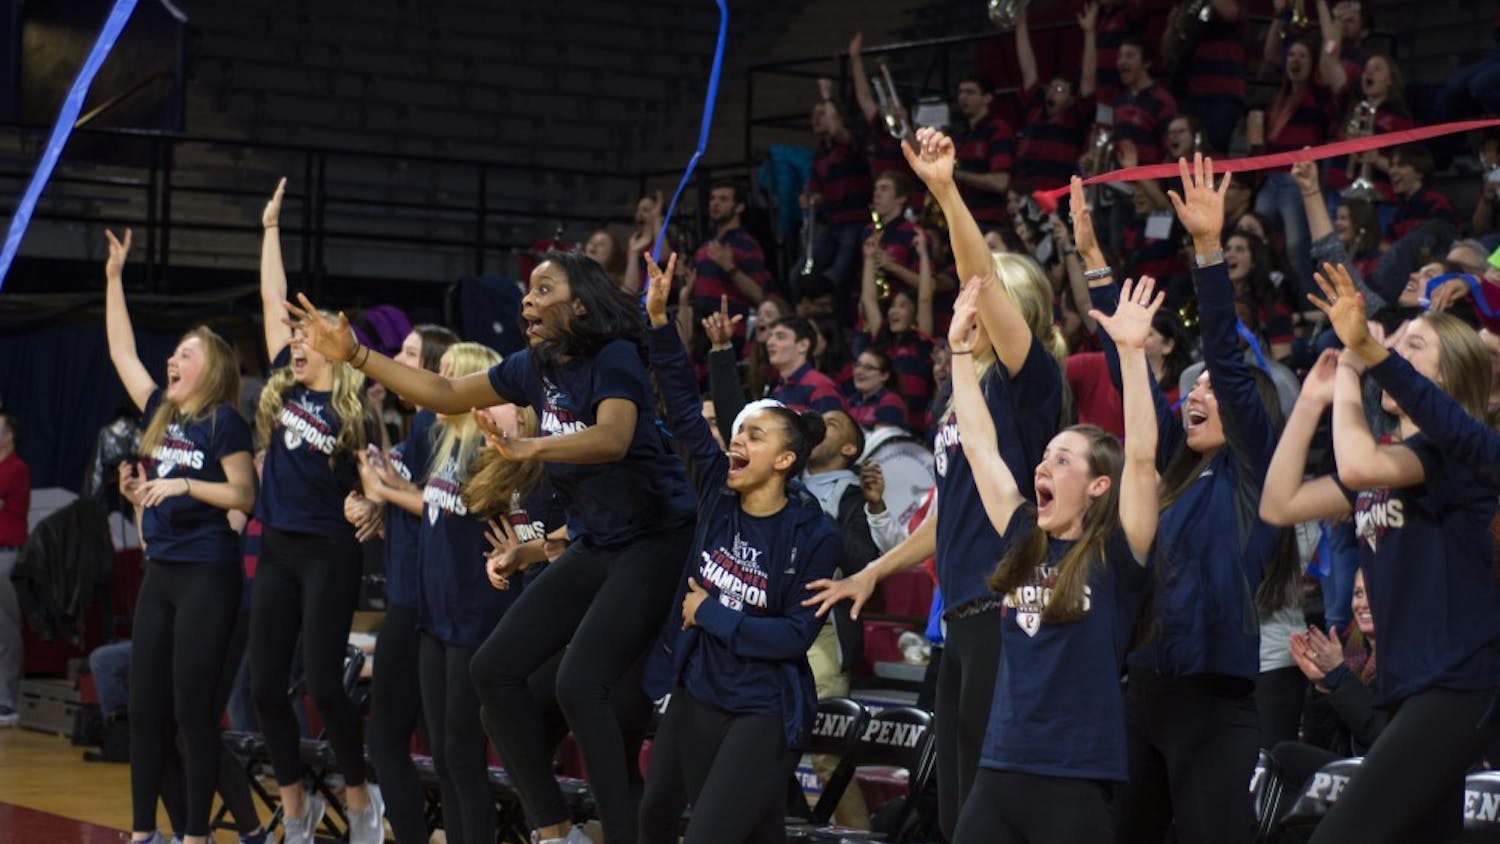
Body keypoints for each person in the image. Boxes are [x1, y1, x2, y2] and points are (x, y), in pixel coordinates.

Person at [286, 247, 696, 844]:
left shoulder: (615, 356)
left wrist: (533, 449)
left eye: (543, 290)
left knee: (579, 685)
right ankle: (554, 831)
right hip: (597, 541)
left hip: (657, 538)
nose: (526, 300)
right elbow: (444, 392)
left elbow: (613, 437)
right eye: (527, 291)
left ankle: (620, 835)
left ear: (578, 303)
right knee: (493, 670)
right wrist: (355, 354)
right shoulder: (535, 364)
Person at [805, 126, 1064, 840]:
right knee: (953, 798)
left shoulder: (1029, 382)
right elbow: (944, 517)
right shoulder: (963, 397)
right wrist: (875, 573)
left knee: (987, 798)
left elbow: (979, 277)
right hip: (960, 617)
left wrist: (946, 192)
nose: (964, 302)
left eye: (980, 297)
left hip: (1005, 609)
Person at [1080, 158, 1292, 844]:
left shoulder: (1255, 475)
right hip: (1141, 695)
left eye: (1209, 394)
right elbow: (1129, 371)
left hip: (1212, 704)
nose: (1195, 395)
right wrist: (1093, 265)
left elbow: (1230, 365)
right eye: (1191, 388)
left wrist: (1207, 250)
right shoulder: (1172, 469)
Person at [1269, 264, 1500, 843]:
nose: (1391, 350)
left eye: (1410, 345)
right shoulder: (1389, 464)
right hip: (1411, 689)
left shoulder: (1451, 455)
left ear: (1441, 380)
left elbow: (1354, 464)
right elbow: (1280, 503)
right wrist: (1314, 397)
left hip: (1458, 686)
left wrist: (1355, 362)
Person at [634, 252, 840, 844]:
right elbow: (680, 403)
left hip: (762, 708)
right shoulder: (718, 498)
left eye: (754, 434)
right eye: (737, 431)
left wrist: (712, 613)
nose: (736, 439)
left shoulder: (813, 535)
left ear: (784, 460)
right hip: (698, 690)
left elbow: (792, 636)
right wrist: (658, 321)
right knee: (663, 820)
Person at [948, 267, 1159, 842]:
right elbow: (978, 445)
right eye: (1044, 455)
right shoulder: (1022, 538)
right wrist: (961, 354)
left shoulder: (1119, 555)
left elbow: (1140, 457)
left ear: (1098, 486)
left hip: (1076, 780)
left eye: (1062, 460)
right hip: (999, 772)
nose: (1042, 466)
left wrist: (1133, 355)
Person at [102, 228, 257, 844]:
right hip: (161, 572)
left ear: (212, 368)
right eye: (174, 353)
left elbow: (244, 496)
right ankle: (144, 832)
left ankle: (196, 834)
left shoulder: (224, 422)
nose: (173, 360)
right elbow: (121, 353)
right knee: (145, 712)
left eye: (187, 354)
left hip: (207, 574)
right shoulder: (158, 415)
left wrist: (187, 487)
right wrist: (114, 279)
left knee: (194, 713)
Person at [251, 180, 383, 844]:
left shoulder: (352, 411)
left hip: (330, 552)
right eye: (293, 337)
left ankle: (362, 799)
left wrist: (368, 502)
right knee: (265, 687)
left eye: (306, 337)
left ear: (333, 346)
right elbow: (274, 304)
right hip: (277, 545)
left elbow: (377, 487)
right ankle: (296, 806)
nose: (295, 344)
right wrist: (271, 229)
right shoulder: (284, 380)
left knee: (323, 688)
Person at [353, 324, 454, 844]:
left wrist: (376, 489)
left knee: (390, 739)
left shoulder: (438, 423)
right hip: (421, 598)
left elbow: (408, 492)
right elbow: (398, 487)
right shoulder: (426, 424)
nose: (396, 358)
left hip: (417, 601)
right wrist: (373, 500)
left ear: (436, 370)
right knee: (425, 742)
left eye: (410, 353)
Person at [949, 75, 1015, 226]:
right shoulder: (962, 135)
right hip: (963, 218)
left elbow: (1000, 183)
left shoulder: (998, 130)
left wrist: (956, 174)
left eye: (970, 92)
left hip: (989, 220)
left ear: (987, 98)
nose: (963, 97)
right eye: (961, 92)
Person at [0, 410, 29, 728]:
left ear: (8, 436)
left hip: (5, 556)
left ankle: (7, 701)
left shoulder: (16, 469)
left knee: (4, 630)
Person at [764, 316, 848, 414]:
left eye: (781, 337)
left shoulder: (821, 387)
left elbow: (833, 428)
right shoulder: (777, 390)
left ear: (803, 345)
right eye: (770, 337)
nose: (770, 343)